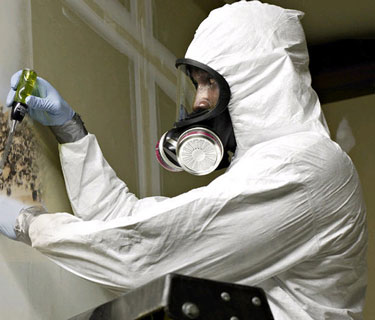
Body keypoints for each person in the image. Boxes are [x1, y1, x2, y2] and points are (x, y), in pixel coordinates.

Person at [0, 2, 368, 319]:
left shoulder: (310, 168)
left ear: (258, 79)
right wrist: (71, 133)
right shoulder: (269, 170)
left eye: (210, 82)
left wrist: (29, 224)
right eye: (196, 85)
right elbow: (130, 226)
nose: (198, 103)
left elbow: (143, 255)